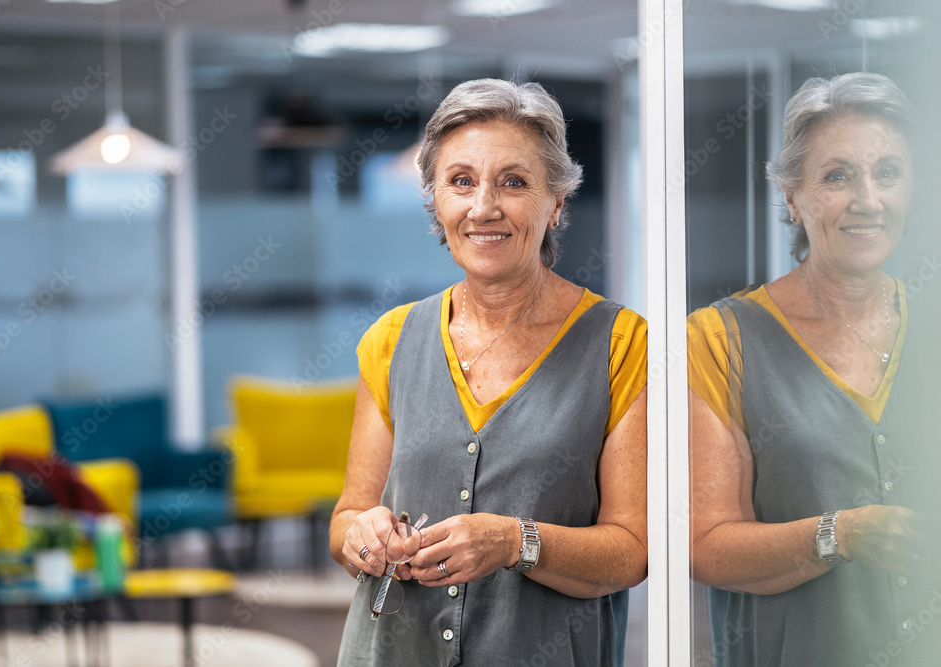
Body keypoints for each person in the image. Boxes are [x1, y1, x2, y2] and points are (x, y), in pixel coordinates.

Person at [329, 78, 647, 666]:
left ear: (556, 203)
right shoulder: (390, 340)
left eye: (514, 182)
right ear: (436, 202)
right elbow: (346, 517)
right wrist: (362, 535)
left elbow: (631, 552)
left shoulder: (621, 343)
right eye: (461, 181)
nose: (483, 208)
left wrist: (514, 542)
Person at [688, 72, 940, 666]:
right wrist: (840, 534)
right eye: (837, 176)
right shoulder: (720, 339)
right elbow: (705, 546)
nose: (867, 200)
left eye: (888, 173)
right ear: (793, 199)